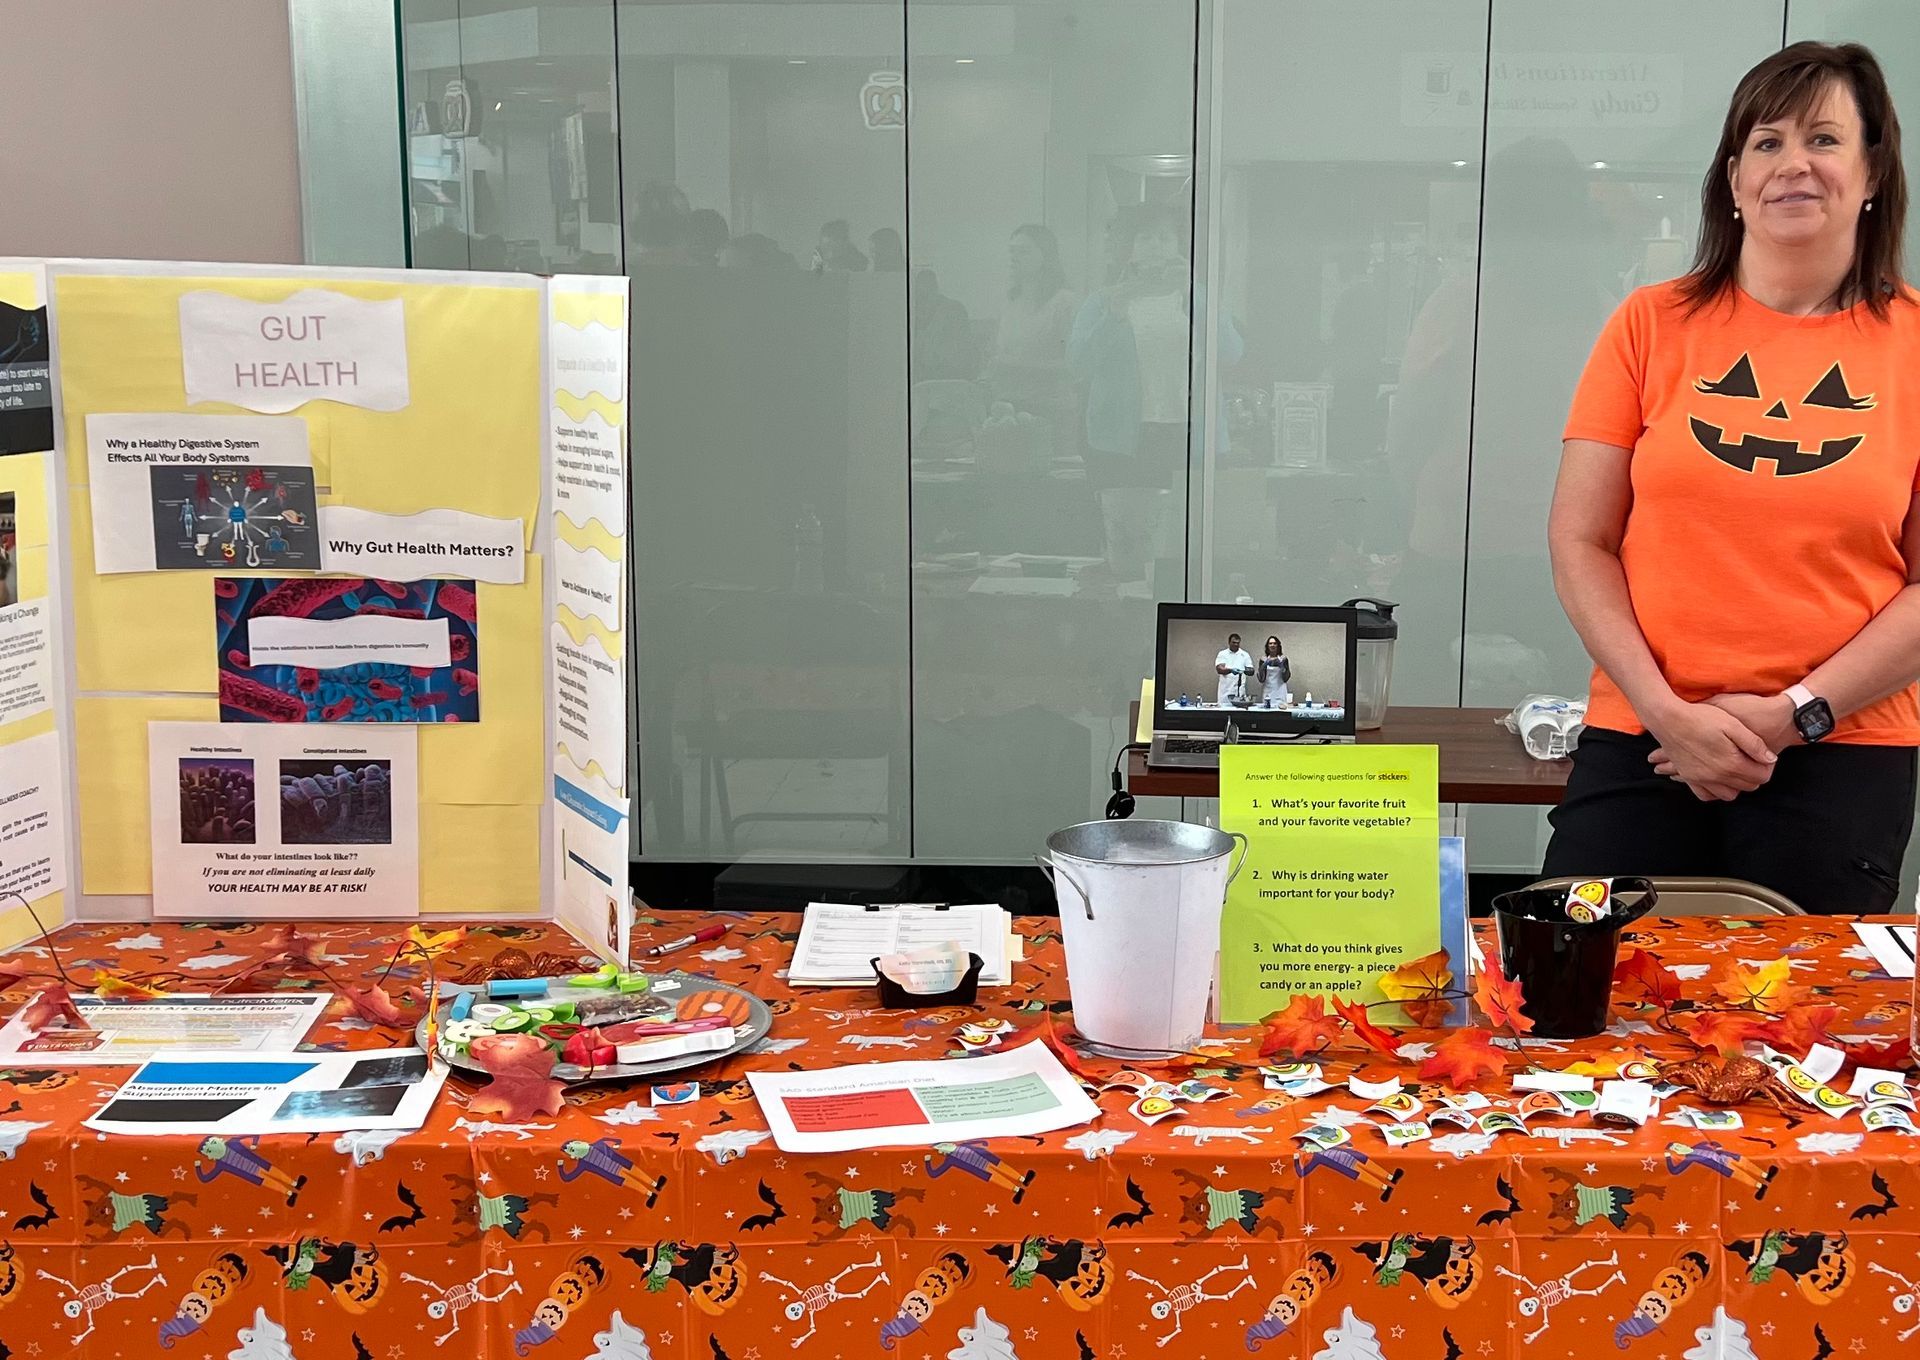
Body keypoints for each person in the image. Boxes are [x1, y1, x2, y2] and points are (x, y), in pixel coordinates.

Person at [1545, 42, 1920, 915]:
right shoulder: (1650, 324)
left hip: (1843, 745)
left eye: (1824, 140)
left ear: (1872, 173)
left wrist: (1799, 712)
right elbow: (1581, 539)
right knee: (1575, 1005)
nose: (1794, 164)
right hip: (1646, 734)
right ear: (1735, 179)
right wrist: (1664, 709)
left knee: (1806, 1033)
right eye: (1767, 142)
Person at [1069, 202, 1243, 489]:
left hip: (1191, 436)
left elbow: (1231, 354)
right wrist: (1113, 315)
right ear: (1129, 247)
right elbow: (1078, 364)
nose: (1155, 247)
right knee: (1127, 526)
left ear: (1178, 245)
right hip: (1122, 440)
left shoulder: (1200, 297)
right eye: (1145, 238)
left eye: (1164, 238)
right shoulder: (1103, 301)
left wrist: (1192, 295)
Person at [987, 224, 1075, 410]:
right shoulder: (1008, 300)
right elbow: (998, 354)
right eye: (1012, 251)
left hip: (1050, 408)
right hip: (1008, 405)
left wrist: (1018, 365)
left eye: (1023, 252)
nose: (1013, 258)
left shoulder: (1064, 302)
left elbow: (1074, 366)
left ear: (1046, 257)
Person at [1215, 632, 1255, 707]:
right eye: (1233, 642)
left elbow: (1251, 670)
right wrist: (1231, 670)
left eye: (1238, 643)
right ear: (1229, 642)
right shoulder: (1222, 654)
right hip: (1225, 692)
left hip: (1240, 692)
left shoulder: (1244, 654)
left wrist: (1245, 671)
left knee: (1239, 715)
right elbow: (1219, 669)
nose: (1236, 644)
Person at [1258, 636, 1292, 708]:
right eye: (1270, 643)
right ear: (1267, 646)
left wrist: (1282, 666)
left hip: (1280, 690)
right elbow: (1261, 679)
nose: (1272, 645)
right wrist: (1264, 666)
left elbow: (1286, 678)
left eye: (1274, 643)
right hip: (1268, 690)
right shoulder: (1263, 659)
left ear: (1278, 646)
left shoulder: (1283, 659)